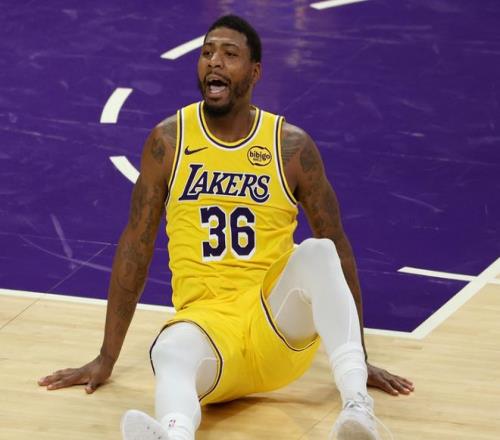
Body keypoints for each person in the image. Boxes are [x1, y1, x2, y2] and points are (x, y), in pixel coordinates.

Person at [38, 15, 414, 440]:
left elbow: (339, 249)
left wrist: (358, 355)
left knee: (319, 251)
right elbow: (135, 246)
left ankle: (357, 409)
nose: (214, 62)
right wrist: (106, 357)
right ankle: (174, 434)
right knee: (168, 349)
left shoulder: (290, 147)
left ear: (254, 72)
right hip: (207, 335)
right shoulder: (169, 141)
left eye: (229, 54)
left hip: (275, 326)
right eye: (207, 53)